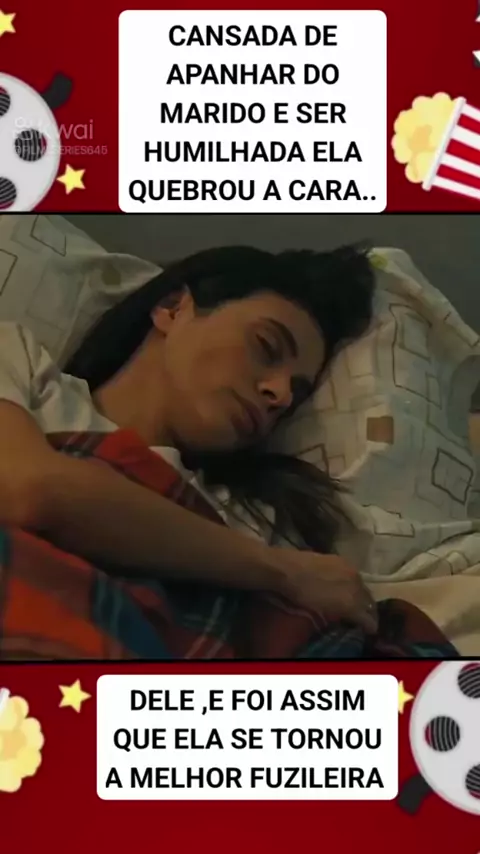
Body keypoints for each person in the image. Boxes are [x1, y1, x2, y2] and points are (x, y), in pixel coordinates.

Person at [0, 243, 379, 635]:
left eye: (295, 396)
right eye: (267, 347)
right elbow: (26, 488)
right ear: (172, 308)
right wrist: (282, 571)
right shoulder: (20, 364)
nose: (280, 394)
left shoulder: (249, 519)